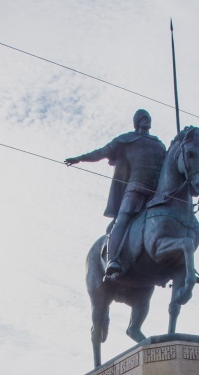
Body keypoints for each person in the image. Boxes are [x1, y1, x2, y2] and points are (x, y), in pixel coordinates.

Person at [65, 109, 167, 281]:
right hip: (136, 187)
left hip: (157, 194)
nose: (147, 120)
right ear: (136, 121)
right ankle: (113, 259)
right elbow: (101, 152)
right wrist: (80, 158)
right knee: (123, 219)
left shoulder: (159, 145)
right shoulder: (126, 140)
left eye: (148, 117)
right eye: (143, 117)